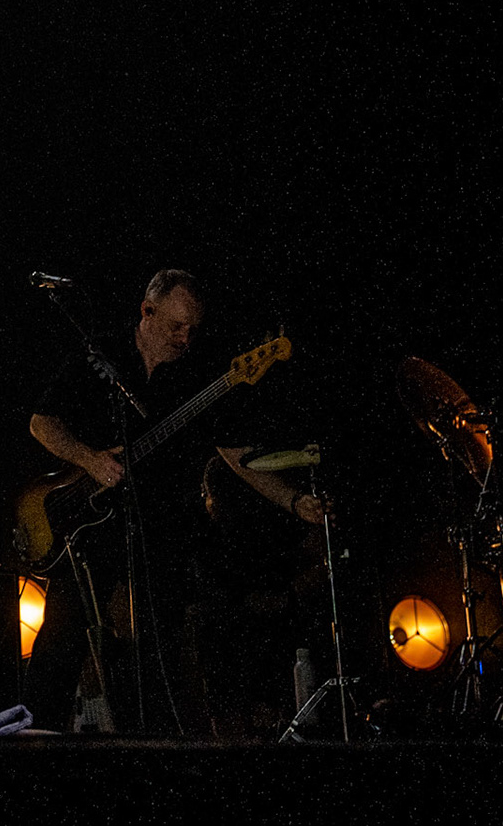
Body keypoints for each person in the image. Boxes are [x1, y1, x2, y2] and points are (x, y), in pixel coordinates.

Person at [21, 270, 326, 735]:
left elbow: (237, 455)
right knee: (62, 635)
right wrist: (90, 459)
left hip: (159, 528)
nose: (185, 338)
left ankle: (153, 746)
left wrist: (294, 501)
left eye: (193, 329)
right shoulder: (100, 355)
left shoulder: (198, 377)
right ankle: (32, 735)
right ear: (147, 311)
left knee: (159, 648)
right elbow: (42, 423)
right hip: (88, 523)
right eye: (176, 326)